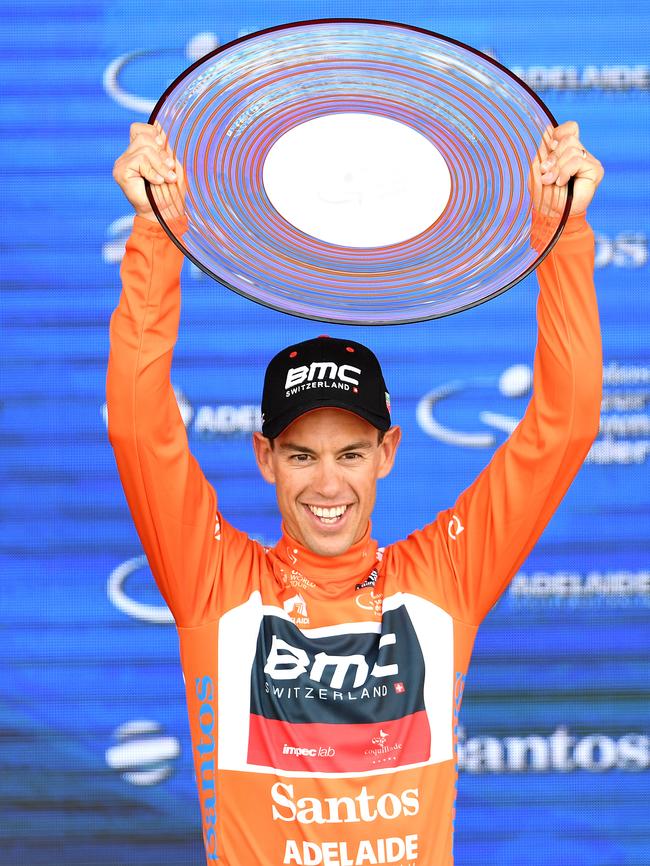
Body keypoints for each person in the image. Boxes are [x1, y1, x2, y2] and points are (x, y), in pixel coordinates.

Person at [108, 120, 604, 866]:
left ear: (388, 454)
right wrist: (154, 232)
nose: (329, 482)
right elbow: (143, 433)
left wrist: (561, 233)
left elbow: (563, 428)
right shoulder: (214, 583)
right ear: (265, 458)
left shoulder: (443, 580)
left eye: (351, 453)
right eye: (302, 455)